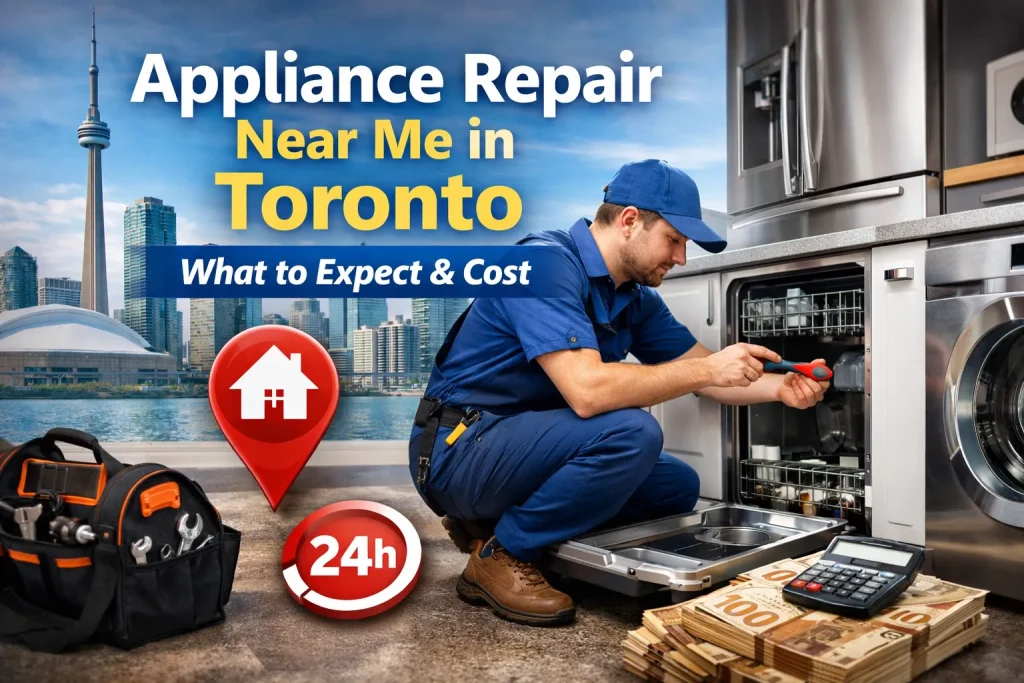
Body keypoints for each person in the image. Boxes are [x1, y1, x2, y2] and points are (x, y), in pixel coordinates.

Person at [408, 159, 829, 626]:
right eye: (675, 239)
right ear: (630, 221)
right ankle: (502, 554)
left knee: (676, 486)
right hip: (459, 451)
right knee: (633, 433)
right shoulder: (543, 265)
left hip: (520, 450)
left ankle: (490, 526)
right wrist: (706, 368)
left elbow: (709, 374)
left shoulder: (633, 297)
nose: (682, 258)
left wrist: (782, 389)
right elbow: (588, 392)